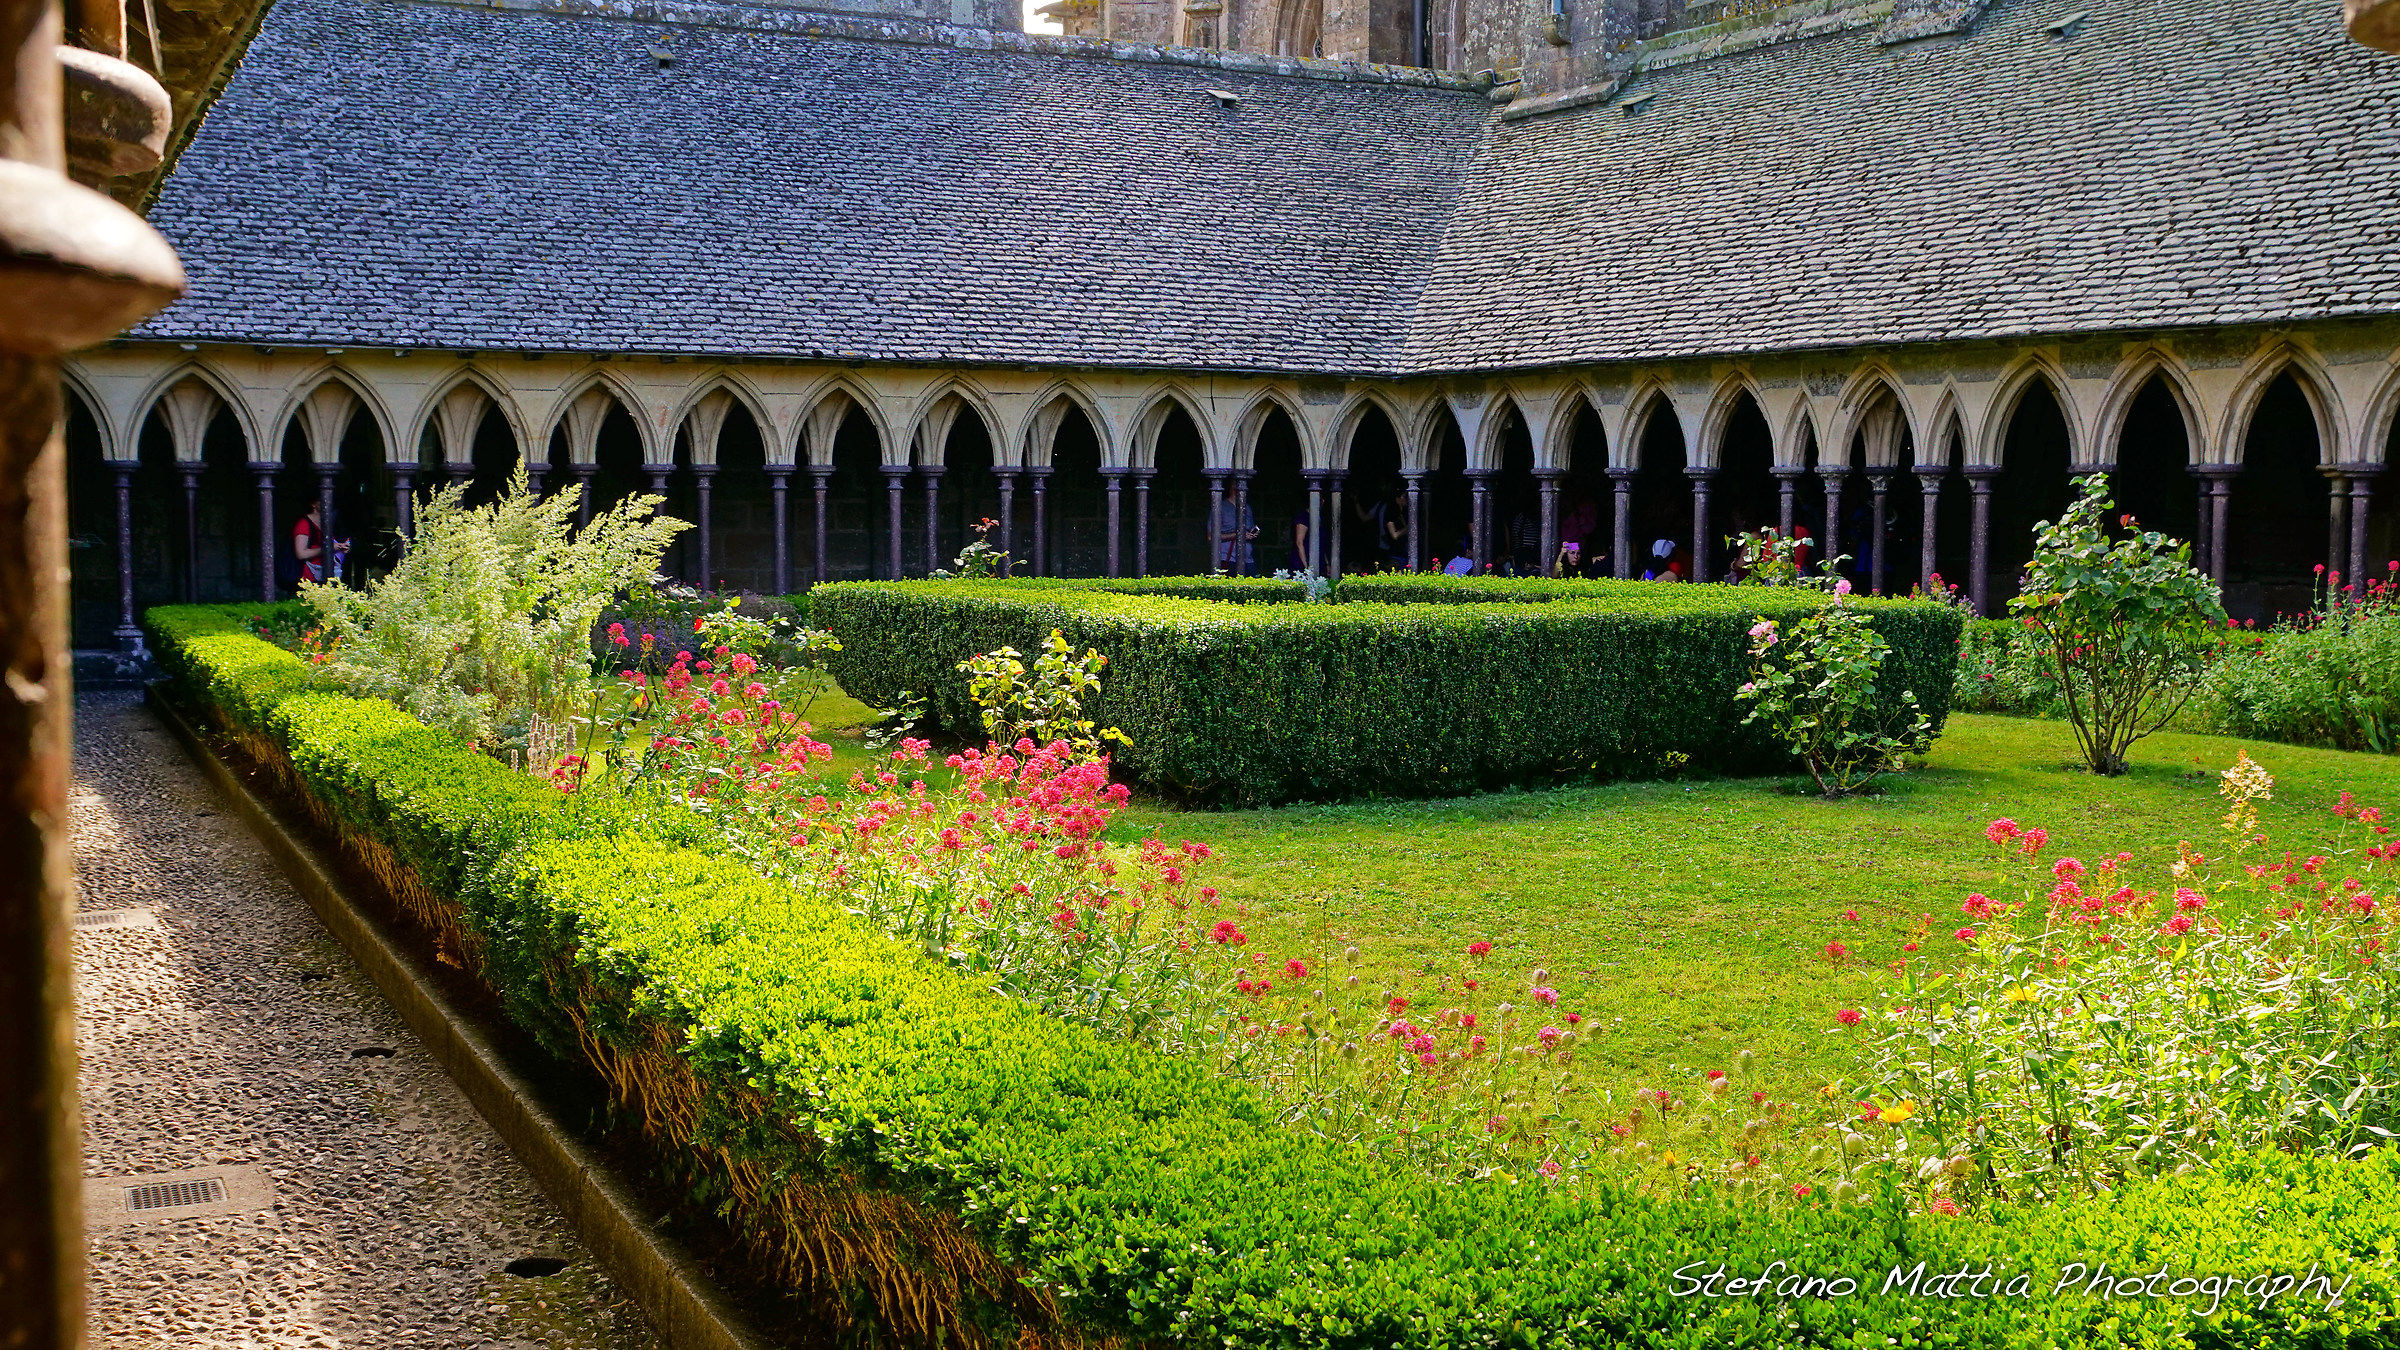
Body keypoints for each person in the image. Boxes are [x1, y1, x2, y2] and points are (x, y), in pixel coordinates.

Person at [1214, 483, 1258, 574]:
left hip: (1248, 559)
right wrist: (1238, 535)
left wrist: (1253, 533)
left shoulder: (1247, 508)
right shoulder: (1220, 507)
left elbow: (1250, 528)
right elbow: (1212, 537)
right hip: (1228, 559)